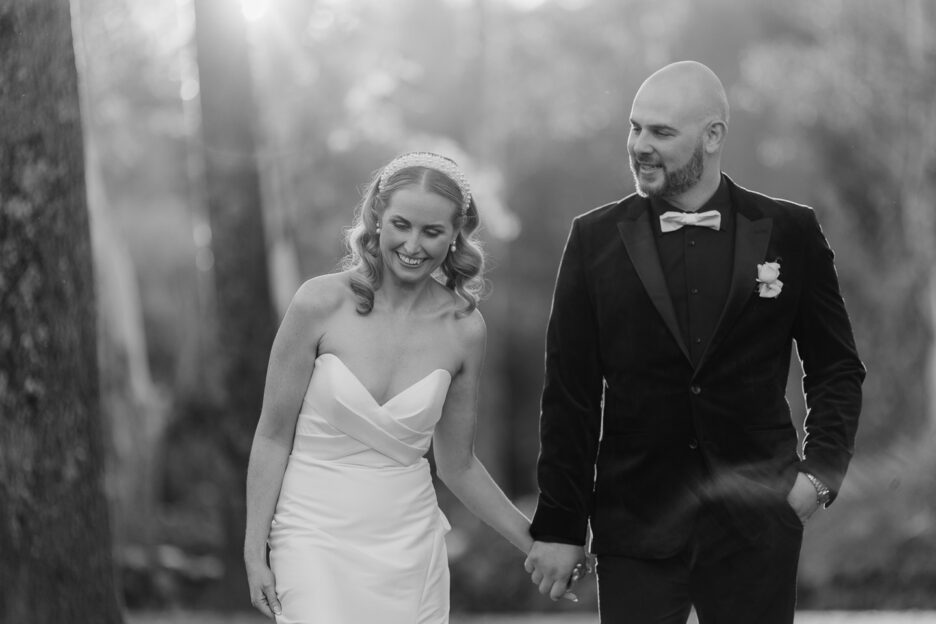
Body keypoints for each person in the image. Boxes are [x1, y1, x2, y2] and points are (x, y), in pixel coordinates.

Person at [524, 61, 865, 623]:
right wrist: (561, 526)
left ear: (712, 135)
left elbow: (836, 368)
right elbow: (570, 395)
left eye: (661, 132)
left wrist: (819, 475)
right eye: (635, 128)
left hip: (758, 522)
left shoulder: (790, 231)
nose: (639, 145)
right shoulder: (593, 239)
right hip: (636, 522)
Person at [243, 152, 538, 623]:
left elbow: (458, 465)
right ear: (377, 218)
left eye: (432, 232)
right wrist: (254, 550)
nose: (413, 245)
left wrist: (534, 542)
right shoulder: (318, 303)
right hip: (310, 532)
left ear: (456, 235)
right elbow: (272, 435)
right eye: (401, 224)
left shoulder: (464, 329)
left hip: (408, 544)